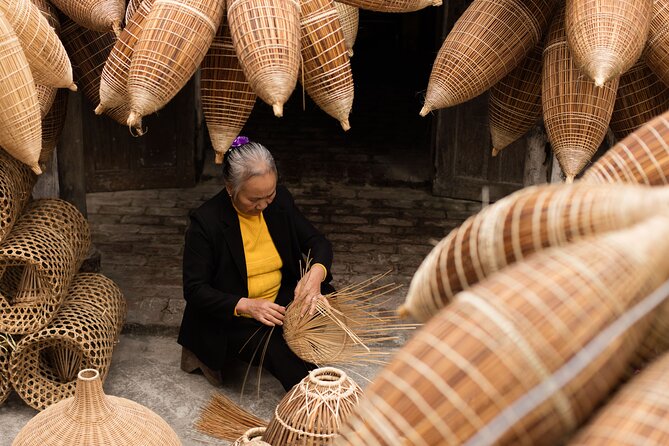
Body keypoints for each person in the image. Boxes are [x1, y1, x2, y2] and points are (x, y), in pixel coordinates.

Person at [178, 136, 335, 391]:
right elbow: (195, 289)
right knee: (278, 351)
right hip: (239, 313)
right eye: (253, 200)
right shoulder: (206, 223)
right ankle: (317, 397)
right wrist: (248, 306)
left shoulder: (280, 201)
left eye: (269, 195)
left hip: (281, 298)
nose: (263, 205)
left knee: (329, 297)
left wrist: (315, 275)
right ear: (231, 188)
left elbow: (318, 242)